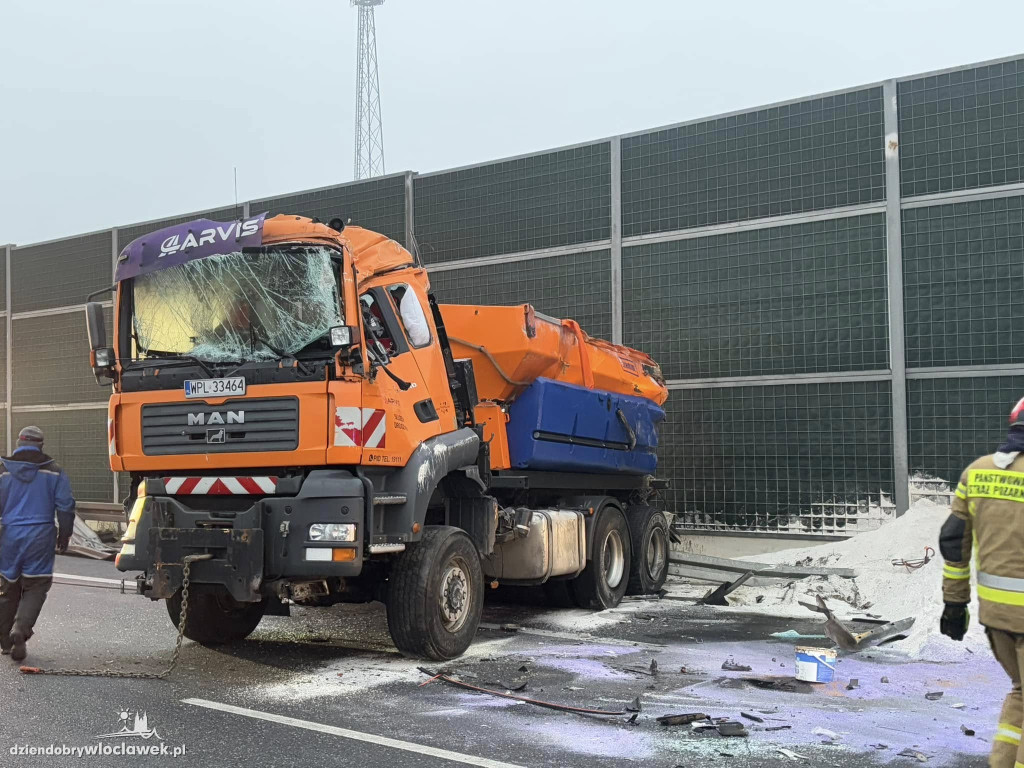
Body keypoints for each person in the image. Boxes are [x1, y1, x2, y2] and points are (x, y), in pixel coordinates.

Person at [940, 396, 1024, 768]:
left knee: (1020, 693)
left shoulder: (977, 473)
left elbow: (954, 542)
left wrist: (954, 604)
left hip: (997, 617)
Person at [0, 426, 76, 662]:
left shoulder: (3, 472)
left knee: (8, 586)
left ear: (18, 443)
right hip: (41, 535)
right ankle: (20, 629)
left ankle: (4, 642)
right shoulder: (54, 472)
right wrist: (64, 535)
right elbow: (65, 506)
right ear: (41, 445)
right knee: (36, 585)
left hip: (9, 535)